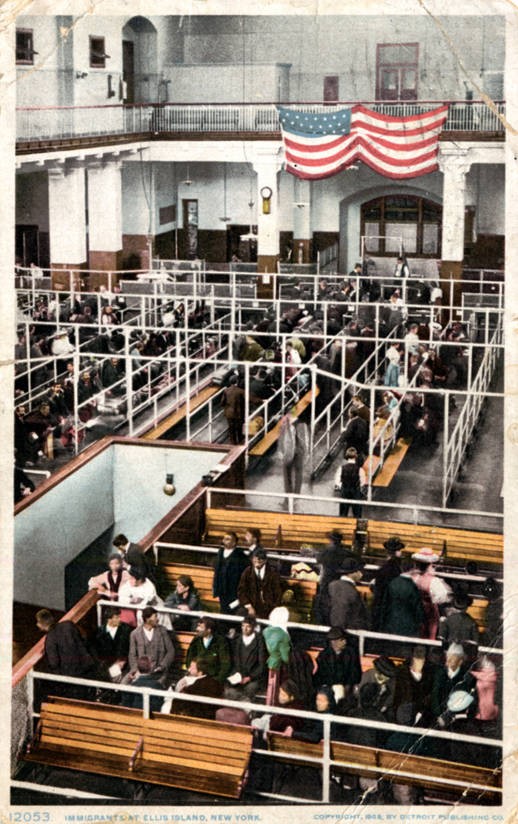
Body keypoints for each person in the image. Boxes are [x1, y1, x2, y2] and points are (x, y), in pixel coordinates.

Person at [36, 609, 99, 699]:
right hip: (87, 669)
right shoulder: (68, 624)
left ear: (41, 624)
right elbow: (83, 639)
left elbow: (54, 662)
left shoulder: (50, 638)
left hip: (71, 676)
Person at [314, 627, 362, 710]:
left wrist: (347, 686)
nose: (334, 644)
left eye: (337, 640)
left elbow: (354, 673)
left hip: (346, 687)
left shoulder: (351, 653)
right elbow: (321, 674)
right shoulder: (324, 655)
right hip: (328, 686)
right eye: (332, 641)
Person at [127, 607, 175, 687]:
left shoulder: (162, 631)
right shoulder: (135, 634)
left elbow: (171, 651)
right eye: (155, 616)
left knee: (152, 686)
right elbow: (132, 655)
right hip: (140, 671)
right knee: (124, 684)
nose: (158, 619)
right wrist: (135, 670)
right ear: (147, 618)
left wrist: (162, 666)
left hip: (158, 672)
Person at [380, 556, 425, 640]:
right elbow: (417, 608)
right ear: (413, 569)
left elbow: (384, 604)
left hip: (390, 623)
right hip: (408, 626)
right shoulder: (413, 587)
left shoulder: (392, 583)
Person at [410, 548, 452, 639]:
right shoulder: (433, 581)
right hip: (428, 615)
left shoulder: (410, 578)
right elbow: (442, 597)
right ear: (430, 564)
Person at [225, 616, 267, 701]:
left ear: (253, 627)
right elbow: (235, 660)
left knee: (250, 689)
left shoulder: (260, 640)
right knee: (228, 688)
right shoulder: (238, 639)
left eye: (248, 626)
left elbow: (261, 665)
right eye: (243, 626)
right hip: (239, 675)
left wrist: (250, 677)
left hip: (253, 677)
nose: (245, 629)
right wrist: (238, 675)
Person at [431, 642, 476, 722]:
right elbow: (435, 696)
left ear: (460, 661)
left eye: (453, 657)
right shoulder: (439, 674)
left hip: (456, 720)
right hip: (437, 718)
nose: (448, 660)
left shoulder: (467, 678)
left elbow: (468, 703)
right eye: (448, 656)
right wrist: (438, 716)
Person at [393, 644, 436, 727]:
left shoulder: (430, 675)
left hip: (421, 717)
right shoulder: (402, 673)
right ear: (412, 653)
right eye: (417, 651)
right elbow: (397, 696)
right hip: (402, 715)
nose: (419, 654)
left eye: (422, 651)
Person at [370, 537, 405, 631]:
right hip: (389, 606)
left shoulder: (384, 568)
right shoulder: (396, 568)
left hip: (380, 604)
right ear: (397, 552)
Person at [237, 548, 283, 620]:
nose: (258, 561)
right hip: (251, 604)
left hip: (268, 608)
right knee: (240, 614)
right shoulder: (247, 572)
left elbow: (278, 593)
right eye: (255, 559)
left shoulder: (273, 573)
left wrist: (274, 609)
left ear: (265, 560)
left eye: (260, 559)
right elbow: (241, 592)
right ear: (252, 559)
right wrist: (249, 607)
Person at [185, 616, 232, 684]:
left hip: (213, 678)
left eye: (201, 627)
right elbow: (189, 658)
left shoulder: (221, 641)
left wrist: (217, 680)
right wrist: (192, 671)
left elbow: (225, 664)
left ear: (209, 630)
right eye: (198, 626)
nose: (197, 629)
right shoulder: (196, 640)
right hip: (195, 675)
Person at [277, 406, 310, 499]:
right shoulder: (302, 425)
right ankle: (295, 495)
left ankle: (290, 494)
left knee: (288, 473)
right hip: (297, 451)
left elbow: (281, 438)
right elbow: (306, 440)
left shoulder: (285, 424)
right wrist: (307, 453)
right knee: (298, 473)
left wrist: (280, 450)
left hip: (290, 451)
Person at [212, 531, 249, 614]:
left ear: (234, 542)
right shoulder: (220, 553)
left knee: (233, 610)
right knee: (223, 610)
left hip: (233, 590)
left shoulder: (240, 555)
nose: (225, 541)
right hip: (222, 590)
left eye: (228, 539)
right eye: (224, 539)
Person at [92, 606, 132, 681]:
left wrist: (123, 661)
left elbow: (129, 649)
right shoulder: (99, 632)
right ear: (109, 619)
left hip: (123, 667)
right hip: (105, 667)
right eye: (116, 617)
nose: (120, 619)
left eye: (119, 617)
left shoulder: (126, 630)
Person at [328, 558, 368, 630]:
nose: (361, 574)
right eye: (359, 571)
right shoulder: (349, 590)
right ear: (353, 573)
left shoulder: (333, 585)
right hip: (345, 630)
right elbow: (341, 613)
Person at [335, 447, 366, 518]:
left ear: (346, 456)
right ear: (356, 456)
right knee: (357, 514)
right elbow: (363, 482)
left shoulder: (341, 468)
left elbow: (337, 481)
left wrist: (343, 486)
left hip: (345, 491)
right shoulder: (360, 469)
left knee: (343, 513)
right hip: (355, 492)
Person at [221, 374, 245, 445]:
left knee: (231, 428)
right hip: (238, 412)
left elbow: (222, 402)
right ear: (237, 381)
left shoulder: (226, 391)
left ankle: (232, 443)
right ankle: (240, 442)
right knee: (239, 428)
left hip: (229, 413)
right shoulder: (241, 391)